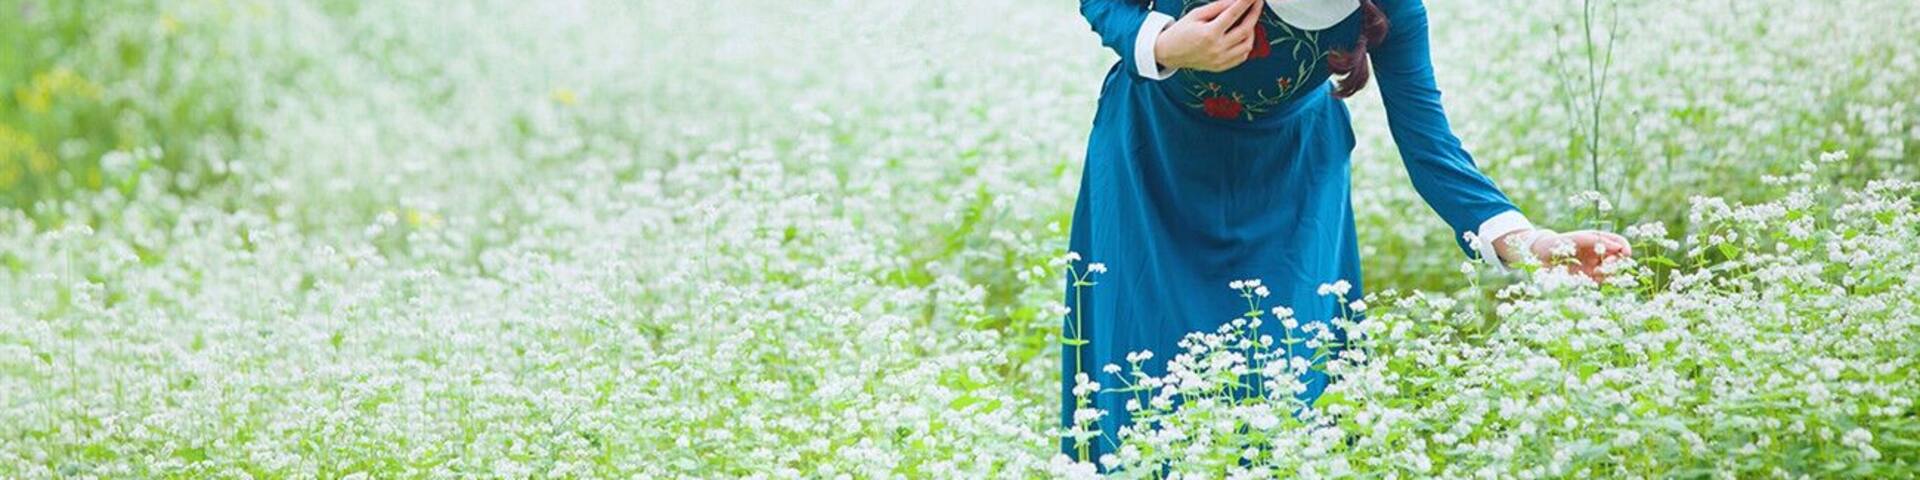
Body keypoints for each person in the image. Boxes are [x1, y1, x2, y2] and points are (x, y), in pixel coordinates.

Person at [1059, 0, 1632, 467]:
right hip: (1151, 164)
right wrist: (1162, 44)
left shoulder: (1394, 9)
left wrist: (1525, 244)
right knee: (1139, 389)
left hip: (1292, 185)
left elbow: (1429, 144)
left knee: (1294, 393)